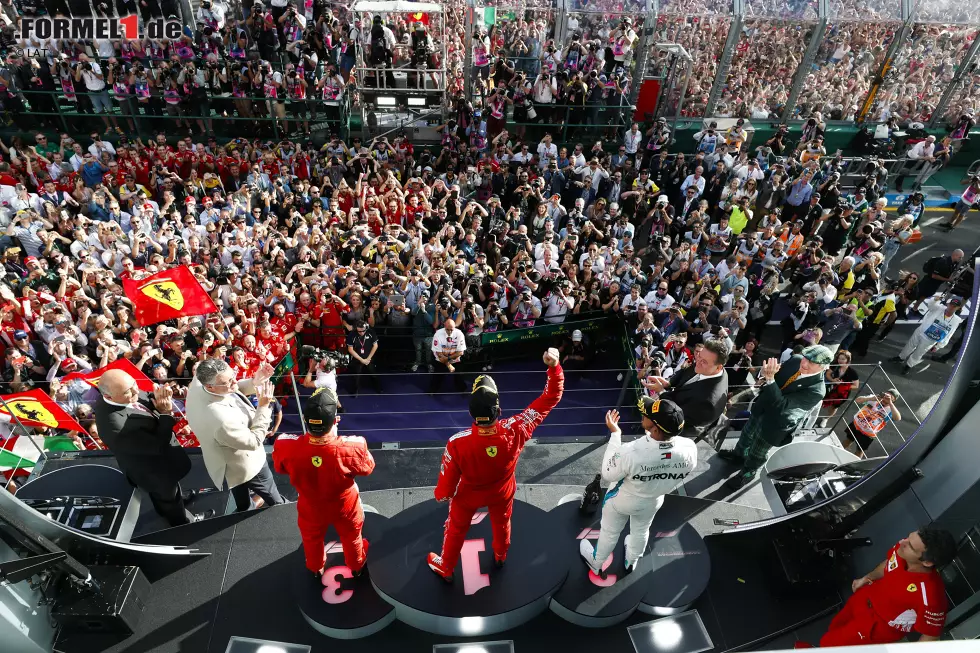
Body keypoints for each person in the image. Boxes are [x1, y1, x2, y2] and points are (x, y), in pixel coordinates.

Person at [427, 348, 564, 581]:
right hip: (502, 492)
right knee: (502, 523)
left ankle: (446, 567)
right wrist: (554, 367)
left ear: (471, 413)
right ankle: (500, 555)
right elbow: (551, 397)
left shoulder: (456, 443)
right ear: (498, 410)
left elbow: (446, 488)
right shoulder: (518, 427)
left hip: (468, 495)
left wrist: (442, 494)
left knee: (456, 527)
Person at [580, 400, 696, 578]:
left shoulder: (631, 451)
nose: (644, 413)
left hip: (622, 499)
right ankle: (631, 561)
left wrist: (615, 434)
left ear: (656, 429)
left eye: (648, 415)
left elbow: (608, 474)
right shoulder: (690, 449)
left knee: (610, 531)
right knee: (641, 530)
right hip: (654, 500)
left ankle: (596, 563)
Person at [273, 387, 375, 580]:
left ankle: (315, 567)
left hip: (310, 503)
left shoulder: (285, 445)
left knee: (311, 537)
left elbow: (280, 468)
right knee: (352, 536)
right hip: (345, 504)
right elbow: (368, 468)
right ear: (336, 420)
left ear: (305, 420)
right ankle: (357, 565)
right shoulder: (355, 446)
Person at [804, 528, 954, 647]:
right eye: (908, 537)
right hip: (865, 597)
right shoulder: (902, 550)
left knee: (833, 645)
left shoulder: (931, 597)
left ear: (927, 563)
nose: (902, 541)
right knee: (835, 626)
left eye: (910, 546)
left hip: (875, 626)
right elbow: (889, 563)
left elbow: (931, 636)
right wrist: (867, 577)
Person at [94, 369, 208, 526]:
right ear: (108, 396)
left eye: (134, 383)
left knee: (169, 493)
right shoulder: (115, 426)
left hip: (160, 461)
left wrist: (162, 395)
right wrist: (166, 413)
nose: (136, 391)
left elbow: (145, 397)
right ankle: (183, 522)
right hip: (152, 469)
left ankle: (175, 501)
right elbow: (157, 446)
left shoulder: (124, 392)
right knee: (167, 496)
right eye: (128, 391)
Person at [718, 344, 833, 489]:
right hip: (761, 409)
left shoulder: (817, 390)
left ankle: (748, 473)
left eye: (811, 362)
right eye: (805, 358)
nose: (804, 363)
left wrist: (770, 378)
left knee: (758, 452)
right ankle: (738, 455)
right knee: (746, 434)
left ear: (824, 366)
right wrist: (764, 374)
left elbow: (783, 406)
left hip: (775, 424)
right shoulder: (795, 360)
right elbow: (772, 377)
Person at [185, 359, 286, 512]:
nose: (234, 382)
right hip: (247, 463)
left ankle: (246, 509)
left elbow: (233, 389)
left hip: (226, 465)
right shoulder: (220, 419)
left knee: (242, 500)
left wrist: (254, 381)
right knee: (273, 496)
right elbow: (254, 441)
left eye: (233, 376)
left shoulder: (200, 383)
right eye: (228, 381)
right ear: (209, 386)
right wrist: (264, 406)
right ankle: (284, 511)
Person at [640, 336, 730, 441]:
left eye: (704, 361)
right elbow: (685, 372)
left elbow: (677, 416)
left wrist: (661, 392)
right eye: (699, 356)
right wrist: (668, 383)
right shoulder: (710, 366)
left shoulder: (708, 402)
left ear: (719, 367)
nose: (698, 362)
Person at [892, 297, 964, 374]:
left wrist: (938, 346)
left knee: (919, 353)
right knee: (910, 345)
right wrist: (935, 299)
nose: (951, 307)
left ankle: (909, 365)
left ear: (958, 308)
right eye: (951, 305)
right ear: (948, 304)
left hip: (930, 340)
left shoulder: (956, 320)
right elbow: (930, 305)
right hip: (921, 331)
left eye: (954, 306)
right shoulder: (939, 308)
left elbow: (949, 334)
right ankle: (901, 357)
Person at [840, 389, 902, 459]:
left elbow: (898, 418)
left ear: (893, 400)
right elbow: (857, 400)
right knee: (848, 440)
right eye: (886, 394)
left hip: (868, 434)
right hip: (856, 424)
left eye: (891, 397)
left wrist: (890, 403)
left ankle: (853, 464)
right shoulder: (874, 398)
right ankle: (839, 453)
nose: (886, 398)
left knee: (860, 450)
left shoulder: (891, 409)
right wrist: (871, 398)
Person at [430, 317, 467, 393]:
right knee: (437, 376)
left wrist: (449, 358)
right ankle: (433, 390)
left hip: (455, 359)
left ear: (455, 327)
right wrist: (448, 364)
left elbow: (460, 352)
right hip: (441, 359)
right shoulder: (438, 334)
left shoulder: (459, 334)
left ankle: (463, 390)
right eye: (448, 329)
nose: (450, 332)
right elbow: (439, 353)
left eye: (452, 330)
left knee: (460, 376)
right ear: (444, 326)